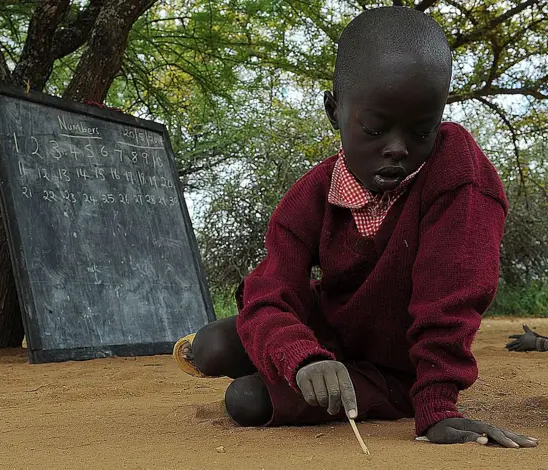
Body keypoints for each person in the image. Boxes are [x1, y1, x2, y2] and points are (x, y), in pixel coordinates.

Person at [172, 6, 538, 448]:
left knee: (245, 401)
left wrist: (437, 405)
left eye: (422, 131)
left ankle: (301, 378)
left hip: (393, 372)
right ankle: (291, 365)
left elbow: (452, 295)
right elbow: (269, 293)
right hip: (324, 336)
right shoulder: (311, 193)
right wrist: (303, 357)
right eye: (374, 128)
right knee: (212, 346)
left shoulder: (459, 176)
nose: (397, 149)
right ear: (334, 111)